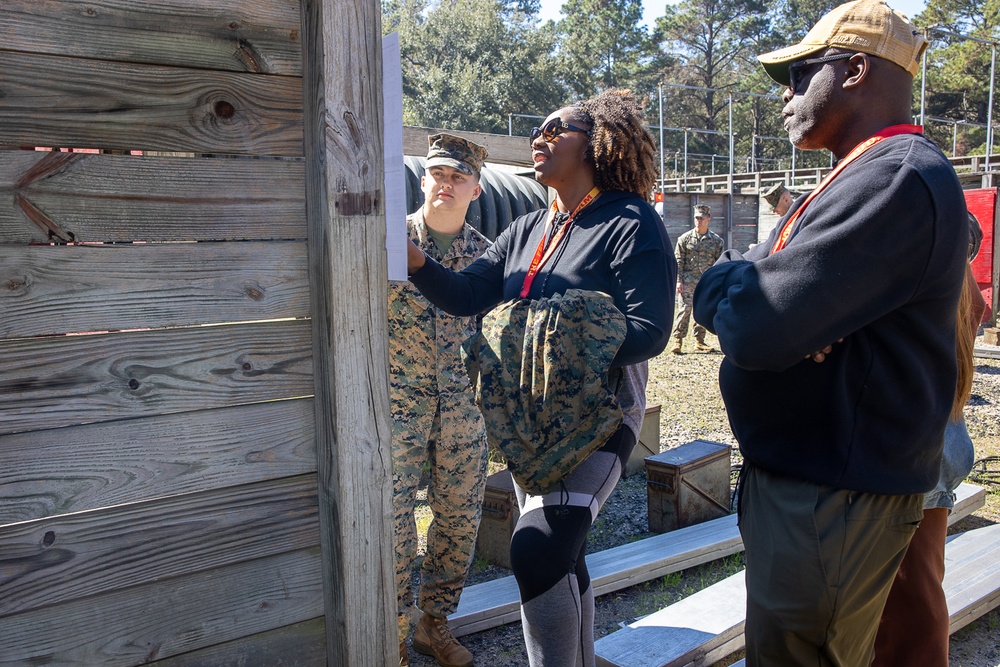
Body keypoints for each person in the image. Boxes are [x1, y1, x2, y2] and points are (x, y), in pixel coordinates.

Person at [692, 1, 969, 665]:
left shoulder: (896, 176)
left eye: (798, 76)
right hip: (814, 491)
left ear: (854, 69)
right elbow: (746, 290)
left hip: (832, 501)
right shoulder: (860, 173)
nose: (786, 97)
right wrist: (736, 284)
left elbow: (758, 327)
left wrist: (751, 298)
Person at [406, 89, 675, 665]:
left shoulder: (629, 220)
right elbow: (467, 293)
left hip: (596, 419)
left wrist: (559, 342)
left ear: (598, 144)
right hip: (529, 425)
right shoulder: (528, 227)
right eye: (539, 130)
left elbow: (650, 328)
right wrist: (415, 261)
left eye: (558, 130)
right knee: (563, 555)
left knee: (536, 548)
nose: (541, 137)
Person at [389, 133, 491, 667]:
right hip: (395, 402)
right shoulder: (388, 240)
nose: (445, 184)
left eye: (458, 177)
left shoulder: (485, 257)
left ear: (476, 187)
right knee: (393, 519)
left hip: (457, 403)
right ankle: (396, 635)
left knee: (459, 515)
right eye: (438, 175)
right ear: (423, 179)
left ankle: (434, 624)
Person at [872, 214, 987, 667]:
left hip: (914, 456)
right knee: (918, 592)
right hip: (936, 451)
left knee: (905, 607)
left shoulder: (920, 267)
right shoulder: (955, 277)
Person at [671, 204, 724, 354]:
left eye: (701, 218)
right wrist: (679, 281)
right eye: (696, 218)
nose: (698, 221)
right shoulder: (685, 239)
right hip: (688, 282)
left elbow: (719, 264)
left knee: (702, 311)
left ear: (708, 219)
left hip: (706, 282)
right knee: (684, 310)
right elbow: (679, 261)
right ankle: (677, 341)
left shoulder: (716, 241)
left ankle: (699, 342)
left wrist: (716, 283)